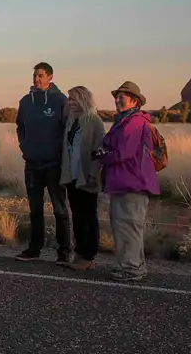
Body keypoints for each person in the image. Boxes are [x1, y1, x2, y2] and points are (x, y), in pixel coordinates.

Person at [94, 81, 160, 282]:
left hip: (132, 182)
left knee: (127, 225)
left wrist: (104, 156)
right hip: (124, 181)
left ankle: (131, 268)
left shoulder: (134, 122)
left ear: (134, 101)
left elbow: (124, 152)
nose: (117, 99)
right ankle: (133, 265)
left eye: (122, 96)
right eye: (117, 96)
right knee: (127, 225)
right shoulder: (124, 121)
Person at [14, 61, 71, 264]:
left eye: (40, 76)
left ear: (50, 77)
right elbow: (19, 126)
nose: (37, 79)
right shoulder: (26, 101)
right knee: (35, 209)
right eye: (35, 76)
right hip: (32, 163)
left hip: (54, 164)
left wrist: (61, 155)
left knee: (59, 209)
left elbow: (67, 130)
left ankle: (64, 251)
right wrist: (25, 147)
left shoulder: (60, 100)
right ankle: (34, 248)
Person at [59, 86, 107, 271]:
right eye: (69, 99)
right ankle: (79, 253)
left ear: (83, 100)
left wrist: (93, 174)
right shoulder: (71, 121)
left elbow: (99, 150)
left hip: (87, 176)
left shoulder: (94, 121)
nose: (70, 102)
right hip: (72, 175)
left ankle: (88, 255)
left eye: (74, 99)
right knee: (77, 216)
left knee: (88, 216)